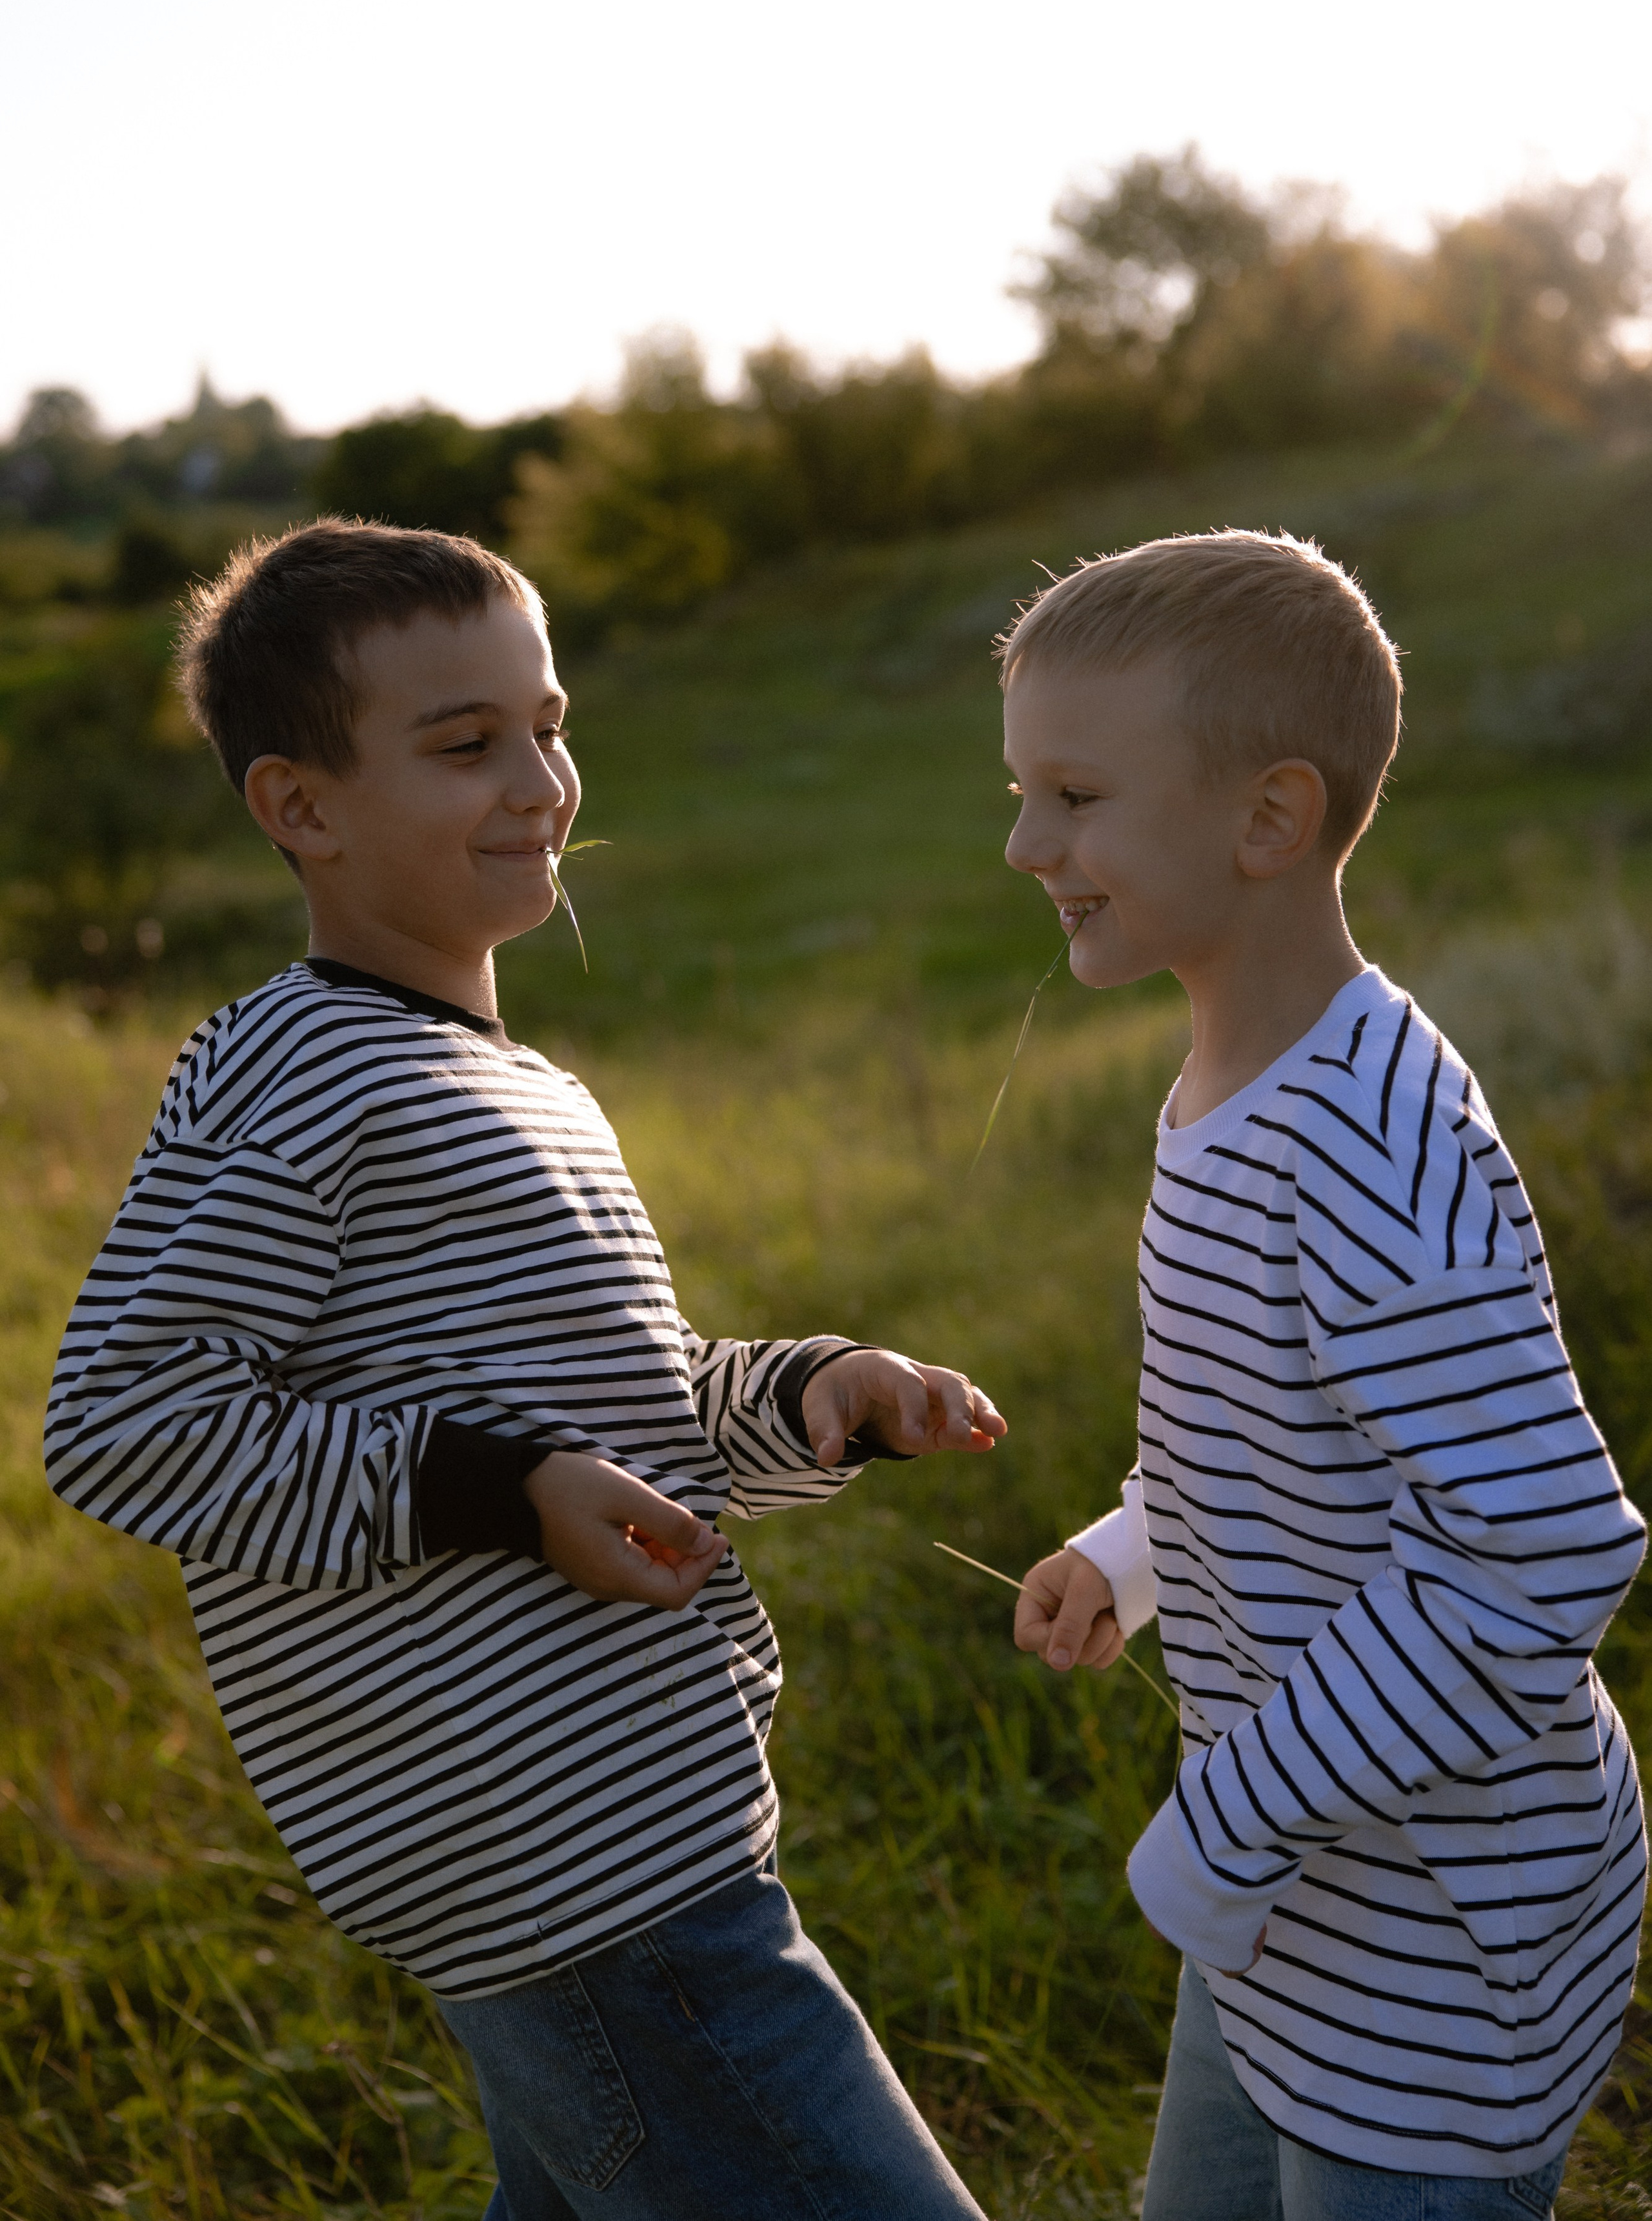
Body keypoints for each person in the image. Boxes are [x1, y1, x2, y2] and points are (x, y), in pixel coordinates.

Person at [45, 519, 1003, 2221]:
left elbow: (611, 1412)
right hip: (579, 1876)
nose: (541, 779)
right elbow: (129, 1418)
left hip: (637, 1813)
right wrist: (500, 1491)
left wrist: (814, 1396)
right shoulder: (297, 1068)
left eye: (549, 726)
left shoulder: (522, 1083)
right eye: (467, 745)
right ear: (302, 808)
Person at [1002, 531, 1646, 2221]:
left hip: (1440, 1943)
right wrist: (1134, 1554)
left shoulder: (1362, 1135)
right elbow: (1286, 1435)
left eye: (1073, 795)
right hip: (1298, 1894)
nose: (1024, 845)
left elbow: (1543, 1548)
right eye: (1024, 792)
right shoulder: (1240, 1081)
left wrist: (1234, 1813)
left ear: (1267, 821)